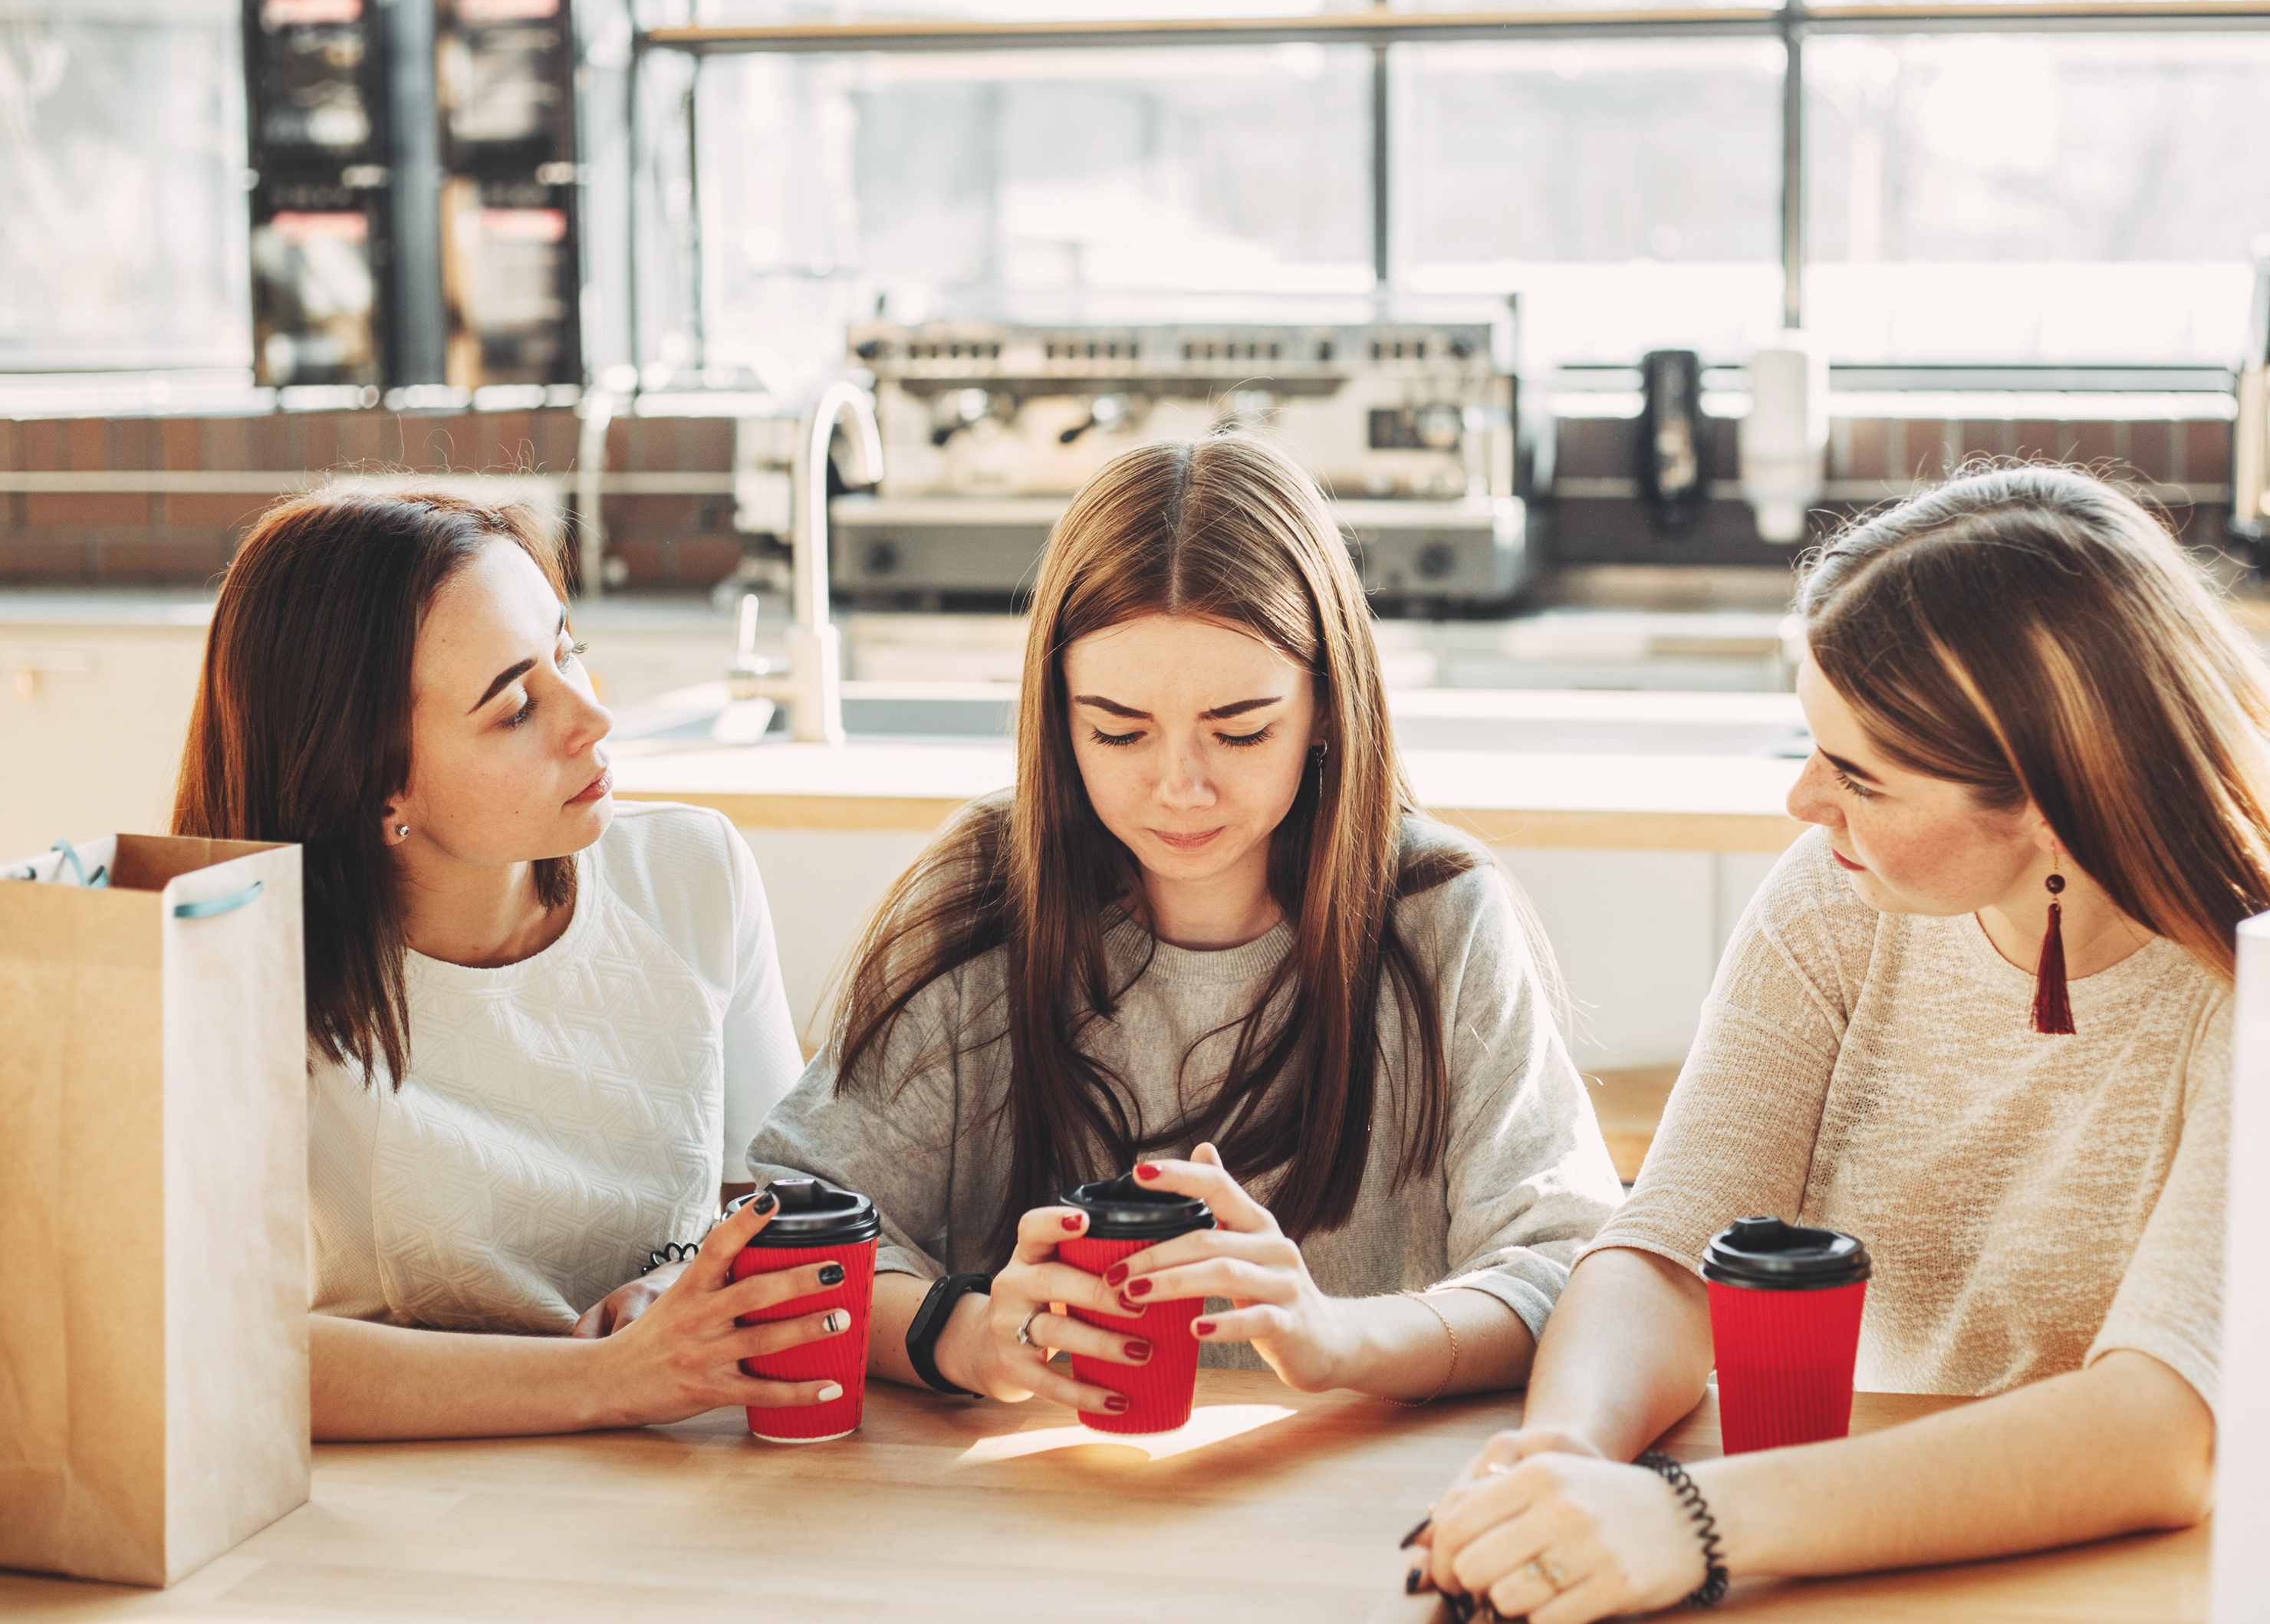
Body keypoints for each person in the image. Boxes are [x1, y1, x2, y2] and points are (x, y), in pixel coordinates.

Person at [1410, 465, 2270, 1619]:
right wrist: (1566, 1453)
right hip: (1859, 1552)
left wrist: (1692, 1516)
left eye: (1858, 776)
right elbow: (1671, 1246)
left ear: (2047, 799)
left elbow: (2159, 1433)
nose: (1803, 800)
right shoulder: (1839, 897)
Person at [749, 432, 1623, 1420]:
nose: (1180, 787)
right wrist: (969, 1331)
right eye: (1117, 730)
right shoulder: (984, 891)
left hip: (1351, 1505)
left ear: (1329, 704)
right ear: (1057, 714)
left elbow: (1575, 1270)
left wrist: (1336, 1339)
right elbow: (790, 1222)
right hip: (1031, 1514)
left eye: (1241, 729)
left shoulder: (1439, 914)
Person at [174, 486, 838, 1439]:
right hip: (395, 1505)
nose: (592, 718)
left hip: (675, 1460)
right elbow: (231, 1346)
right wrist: (609, 1379)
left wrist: (677, 1286)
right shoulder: (242, 969)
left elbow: (775, 1195)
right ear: (372, 788)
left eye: (567, 648)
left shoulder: (692, 873)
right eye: (519, 704)